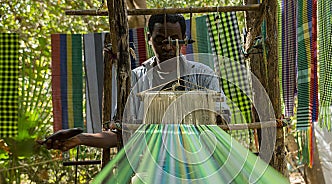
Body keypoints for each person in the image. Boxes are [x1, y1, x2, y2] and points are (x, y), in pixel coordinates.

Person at [45, 13, 229, 152]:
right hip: (153, 167)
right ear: (149, 39)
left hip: (198, 163)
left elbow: (223, 125)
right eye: (160, 40)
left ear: (184, 40)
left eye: (174, 40)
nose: (167, 46)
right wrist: (81, 138)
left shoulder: (203, 76)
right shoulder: (135, 79)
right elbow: (121, 133)